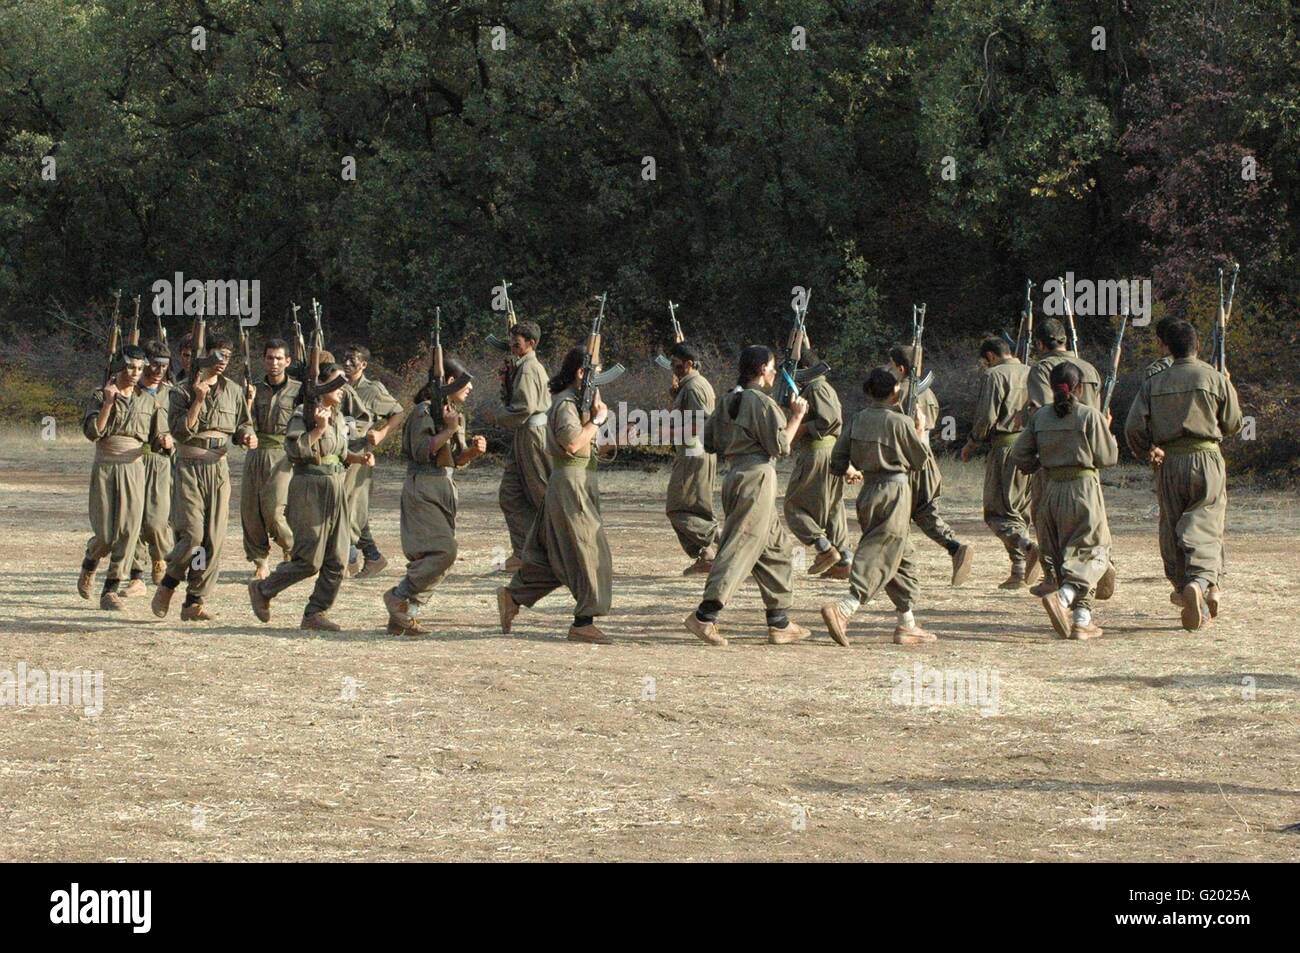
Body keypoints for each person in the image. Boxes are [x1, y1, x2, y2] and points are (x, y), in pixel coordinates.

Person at [683, 345, 811, 646]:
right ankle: (705, 616)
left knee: (776, 548)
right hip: (757, 479)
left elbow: (709, 441)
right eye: (771, 366)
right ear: (762, 369)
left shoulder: (728, 399)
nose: (774, 371)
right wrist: (795, 416)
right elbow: (781, 447)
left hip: (736, 476)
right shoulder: (763, 404)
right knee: (740, 546)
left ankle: (779, 622)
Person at [1124, 320, 1242, 630]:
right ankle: (1203, 582)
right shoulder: (1214, 378)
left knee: (1172, 525)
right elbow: (1232, 424)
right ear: (1197, 346)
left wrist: (1147, 449)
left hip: (1169, 460)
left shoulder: (1154, 382)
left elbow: (1132, 427)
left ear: (1165, 347)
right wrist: (1226, 384)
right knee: (1206, 522)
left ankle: (1183, 586)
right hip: (1207, 458)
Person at [496, 346, 615, 644]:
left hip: (579, 483)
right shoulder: (564, 405)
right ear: (580, 373)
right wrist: (598, 419)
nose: (599, 380)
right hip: (570, 485)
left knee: (553, 558)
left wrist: (605, 428)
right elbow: (573, 444)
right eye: (595, 374)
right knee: (588, 552)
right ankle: (582, 622)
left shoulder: (576, 405)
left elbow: (590, 444)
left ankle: (514, 596)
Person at [248, 364, 374, 630]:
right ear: (323, 386)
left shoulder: (339, 417)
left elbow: (337, 453)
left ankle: (315, 612)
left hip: (336, 485)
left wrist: (358, 458)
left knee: (338, 558)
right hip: (309, 486)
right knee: (309, 559)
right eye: (337, 383)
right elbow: (294, 449)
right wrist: (317, 428)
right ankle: (264, 589)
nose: (343, 389)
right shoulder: (302, 415)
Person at [819, 367, 936, 646]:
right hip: (895, 491)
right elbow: (920, 462)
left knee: (901, 555)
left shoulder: (858, 420)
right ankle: (846, 607)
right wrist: (919, 431)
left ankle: (906, 623)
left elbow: (837, 461)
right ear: (895, 392)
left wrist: (857, 467)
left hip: (868, 492)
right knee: (880, 552)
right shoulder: (900, 422)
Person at [151, 337, 256, 621]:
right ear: (205, 356)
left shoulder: (233, 390)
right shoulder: (182, 391)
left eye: (228, 355)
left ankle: (193, 600)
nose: (223, 360)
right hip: (188, 466)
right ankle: (169, 583)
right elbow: (181, 432)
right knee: (193, 535)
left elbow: (242, 424)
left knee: (211, 540)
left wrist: (247, 435)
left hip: (218, 469)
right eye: (218, 354)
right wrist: (198, 399)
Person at [1011, 362, 1118, 639]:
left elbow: (1019, 454)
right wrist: (1105, 429)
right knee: (1094, 551)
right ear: (1079, 387)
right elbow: (1108, 458)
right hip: (1083, 490)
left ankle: (1082, 619)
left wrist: (1041, 462)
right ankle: (1064, 597)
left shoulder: (1040, 417)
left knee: (1066, 555)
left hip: (1051, 490)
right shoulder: (1089, 415)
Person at [382, 358, 487, 635]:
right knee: (443, 552)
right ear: (449, 382)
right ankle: (398, 595)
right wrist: (449, 430)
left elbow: (453, 458)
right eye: (465, 382)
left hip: (444, 487)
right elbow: (421, 451)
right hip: (424, 486)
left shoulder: (453, 413)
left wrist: (473, 452)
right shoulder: (423, 411)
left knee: (436, 556)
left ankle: (405, 615)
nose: (470, 388)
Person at [78, 345, 170, 609]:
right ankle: (89, 562)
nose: (135, 373)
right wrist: (108, 403)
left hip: (134, 467)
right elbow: (93, 432)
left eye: (140, 368)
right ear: (120, 366)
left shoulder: (147, 400)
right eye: (130, 367)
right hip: (106, 465)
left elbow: (157, 438)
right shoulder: (100, 395)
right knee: (106, 534)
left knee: (129, 531)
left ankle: (111, 589)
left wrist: (167, 442)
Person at [1023, 319, 1103, 594]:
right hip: (1088, 456)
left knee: (1047, 522)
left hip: (1055, 456)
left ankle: (1054, 577)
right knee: (1091, 523)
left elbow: (1040, 412)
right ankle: (1101, 567)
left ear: (1041, 344)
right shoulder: (1089, 369)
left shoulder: (1042, 369)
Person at [890, 345, 973, 585]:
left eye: (891, 366)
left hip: (909, 461)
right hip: (926, 460)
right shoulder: (927, 392)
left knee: (898, 515)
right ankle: (954, 548)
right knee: (924, 513)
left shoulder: (900, 392)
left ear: (901, 368)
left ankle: (901, 569)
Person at [960, 337, 1039, 588]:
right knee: (1021, 510)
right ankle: (1018, 571)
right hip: (1033, 447)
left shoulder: (995, 375)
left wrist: (972, 442)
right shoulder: (1032, 372)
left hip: (1006, 447)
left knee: (997, 511)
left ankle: (1027, 549)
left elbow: (986, 416)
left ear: (991, 357)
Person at [782, 350, 852, 579]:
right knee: (833, 507)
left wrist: (800, 428)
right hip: (828, 453)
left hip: (817, 453)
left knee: (793, 506)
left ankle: (824, 548)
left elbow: (830, 420)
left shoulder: (817, 388)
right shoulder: (818, 387)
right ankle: (843, 560)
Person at [341, 345, 404, 578]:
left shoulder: (372, 390)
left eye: (353, 361)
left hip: (359, 455)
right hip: (337, 453)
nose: (347, 365)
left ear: (364, 365)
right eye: (345, 360)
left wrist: (381, 433)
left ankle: (352, 559)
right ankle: (369, 556)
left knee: (351, 507)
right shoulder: (336, 384)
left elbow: (397, 412)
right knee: (346, 507)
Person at [241, 338, 301, 579]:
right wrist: (248, 401)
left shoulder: (299, 390)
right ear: (263, 360)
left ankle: (292, 547)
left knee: (275, 510)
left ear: (287, 361)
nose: (274, 363)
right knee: (251, 510)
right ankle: (260, 560)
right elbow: (242, 422)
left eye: (279, 358)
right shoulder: (253, 388)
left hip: (284, 455)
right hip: (256, 453)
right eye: (269, 358)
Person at [495, 321, 552, 571]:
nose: (512, 346)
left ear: (531, 344)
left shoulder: (529, 369)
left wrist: (498, 417)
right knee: (510, 494)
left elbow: (524, 408)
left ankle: (559, 552)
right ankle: (524, 553)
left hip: (532, 435)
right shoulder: (521, 366)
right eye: (511, 341)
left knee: (541, 496)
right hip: (523, 434)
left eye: (517, 342)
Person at [665, 342, 720, 575]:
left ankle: (722, 539)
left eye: (676, 365)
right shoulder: (692, 384)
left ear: (688, 364)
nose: (672, 368)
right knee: (697, 507)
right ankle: (706, 556)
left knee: (678, 509)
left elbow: (700, 422)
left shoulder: (694, 387)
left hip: (693, 453)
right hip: (696, 452)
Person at [128, 340, 175, 590]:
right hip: (133, 459)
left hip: (160, 462)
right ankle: (136, 574)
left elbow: (185, 425)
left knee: (157, 520)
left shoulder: (172, 393)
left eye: (164, 366)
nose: (159, 370)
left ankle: (159, 559)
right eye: (154, 365)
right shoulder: (131, 391)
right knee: (133, 518)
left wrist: (172, 440)